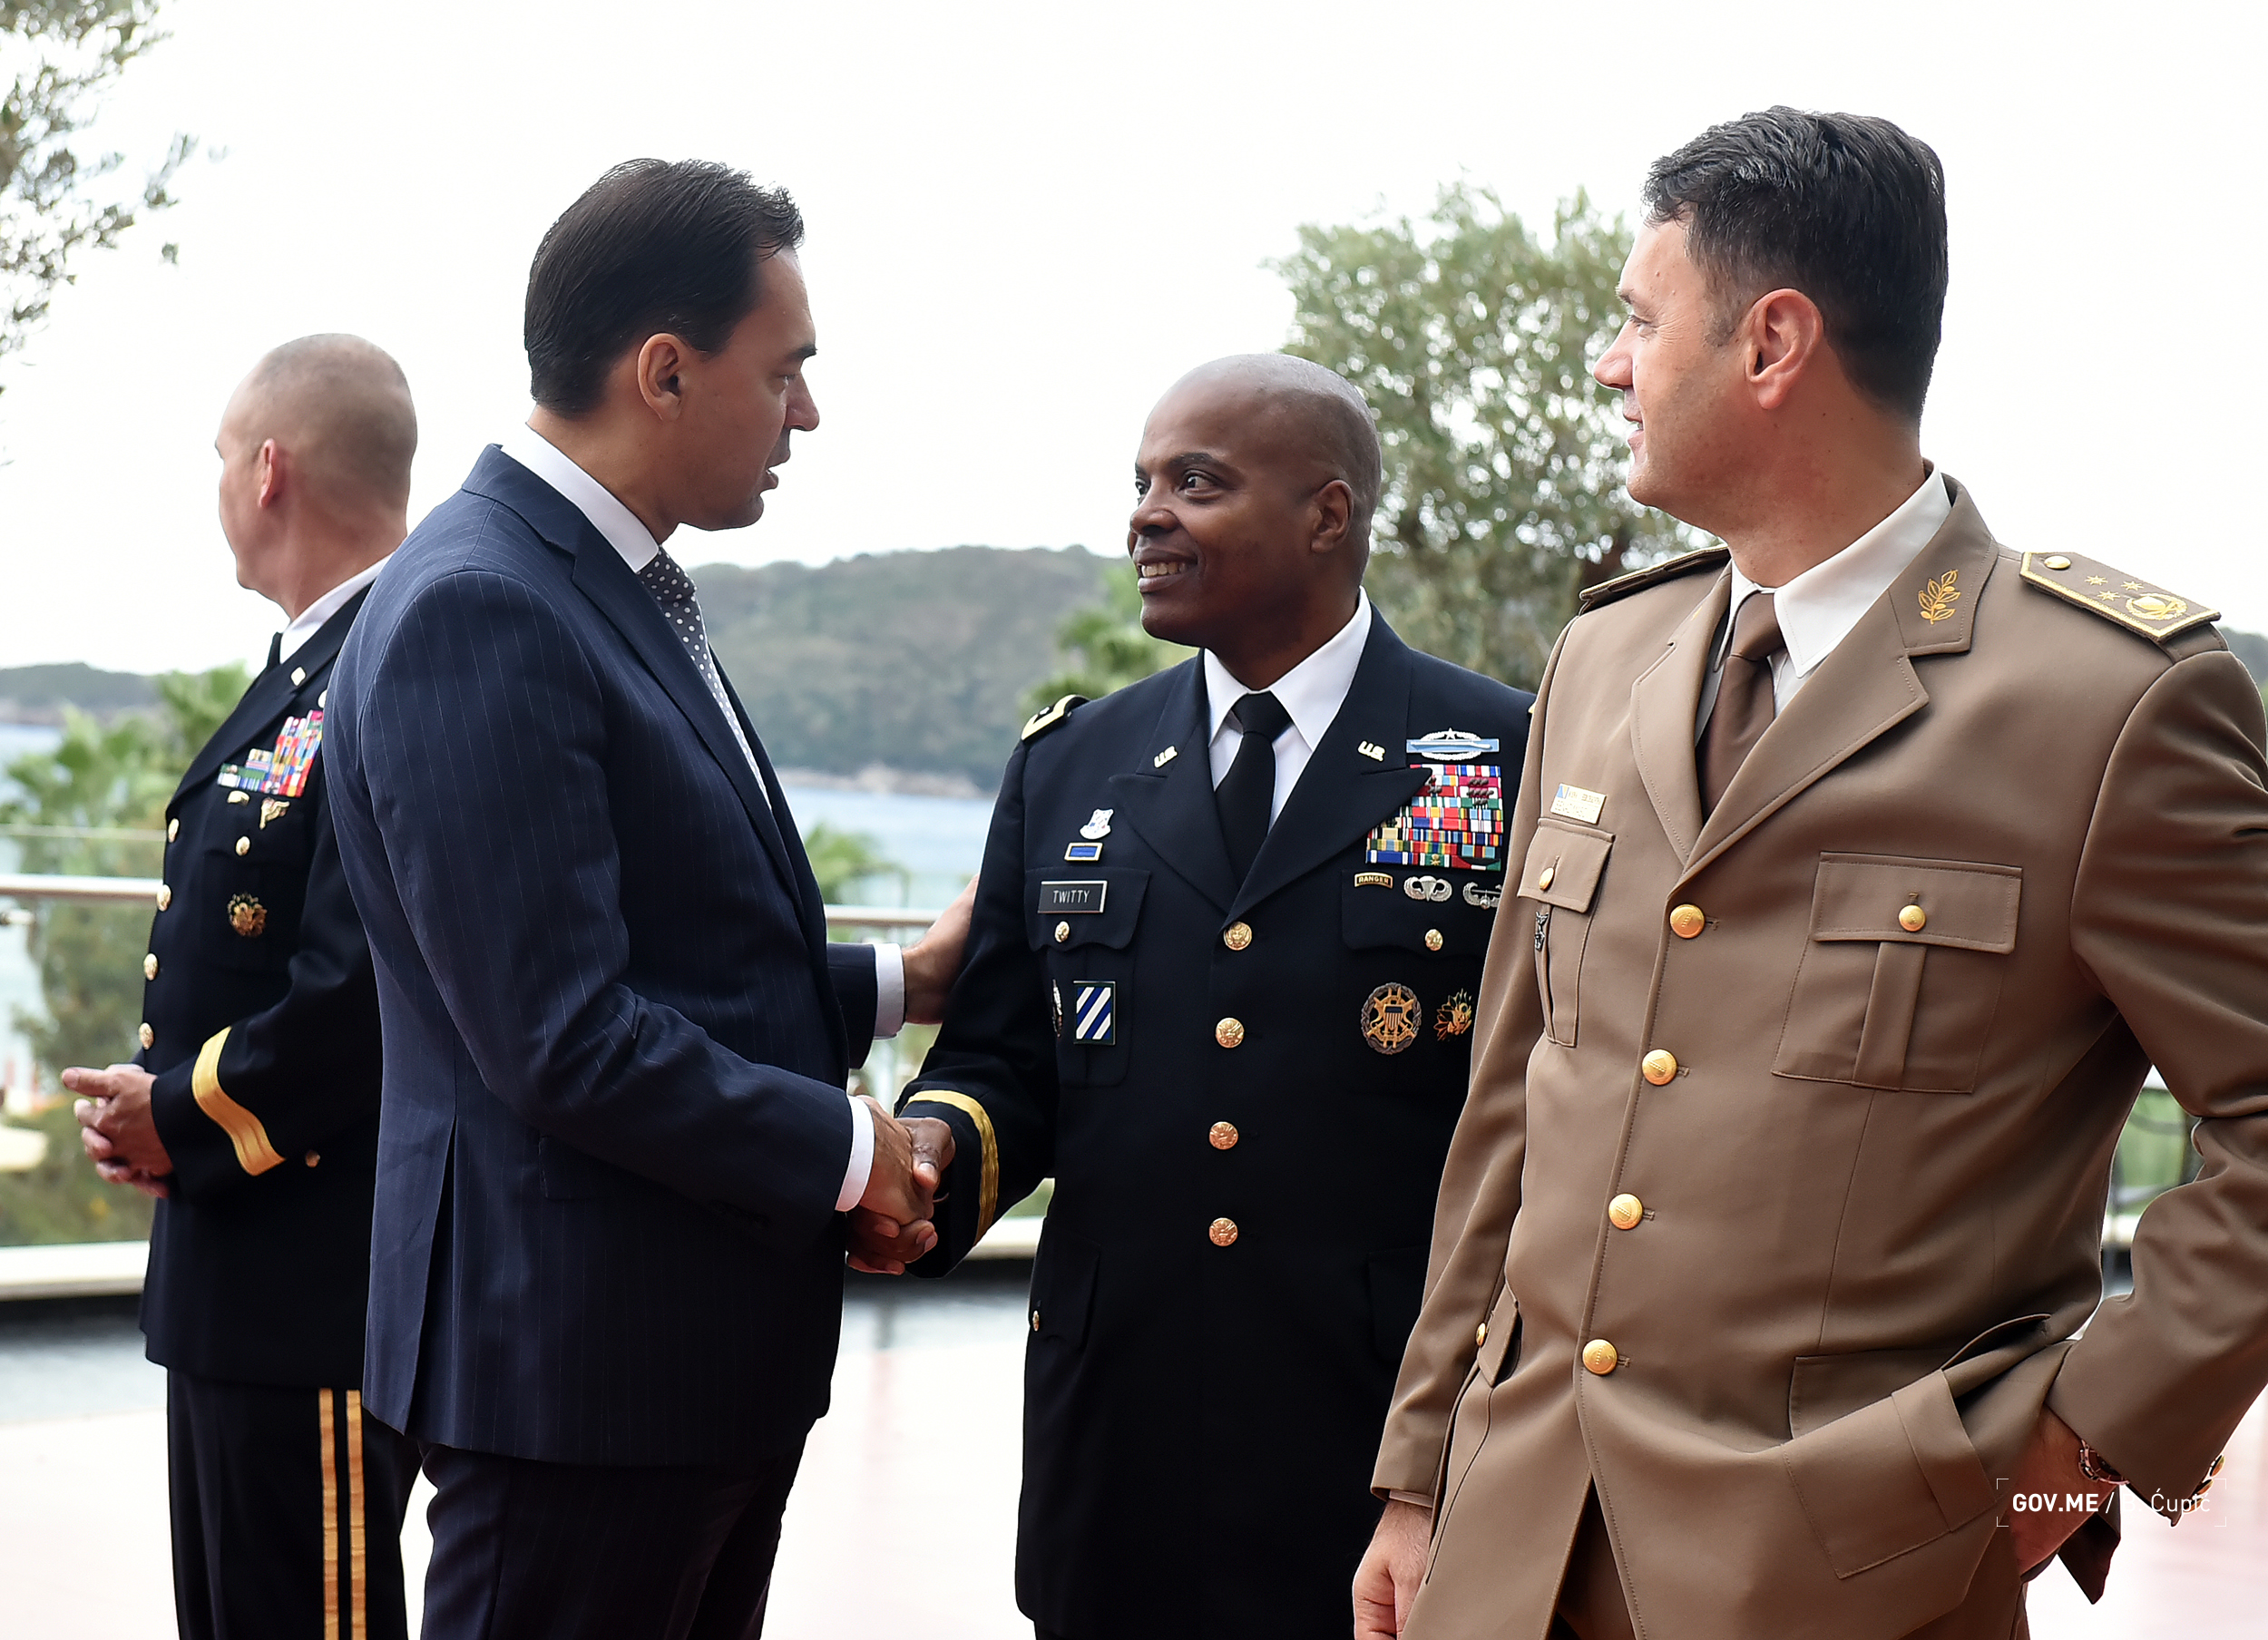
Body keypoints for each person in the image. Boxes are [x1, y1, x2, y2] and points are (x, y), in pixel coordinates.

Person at [1353, 107, 2268, 1640]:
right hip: (1511, 1549)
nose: (1612, 366)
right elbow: (1514, 1098)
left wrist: (2079, 1456)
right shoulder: (1606, 655)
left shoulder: (2110, 703)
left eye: (1641, 323)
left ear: (1772, 342)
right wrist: (1421, 1474)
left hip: (1858, 1576)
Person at [323, 160, 968, 1639]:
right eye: (786, 371)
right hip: (582, 1382)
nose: (808, 414)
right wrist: (848, 1150)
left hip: (668, 1372)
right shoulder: (485, 603)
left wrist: (898, 985)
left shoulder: (597, 584)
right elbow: (559, 1033)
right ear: (665, 371)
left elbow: (671, 953)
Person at [893, 354, 1533, 1639]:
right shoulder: (1074, 763)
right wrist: (926, 1157)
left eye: (1197, 483)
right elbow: (1005, 1061)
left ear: (1327, 514)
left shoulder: (1506, 752)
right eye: (1141, 483)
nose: (1147, 516)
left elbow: (1542, 1102)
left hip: (1378, 1435)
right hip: (1116, 1436)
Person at [67, 335, 421, 1640]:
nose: (219, 483)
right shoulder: (308, 670)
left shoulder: (395, 657)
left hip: (313, 1285)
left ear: (267, 469)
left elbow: (366, 989)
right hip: (239, 1270)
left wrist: (180, 1113)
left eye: (221, 456)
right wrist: (161, 1105)